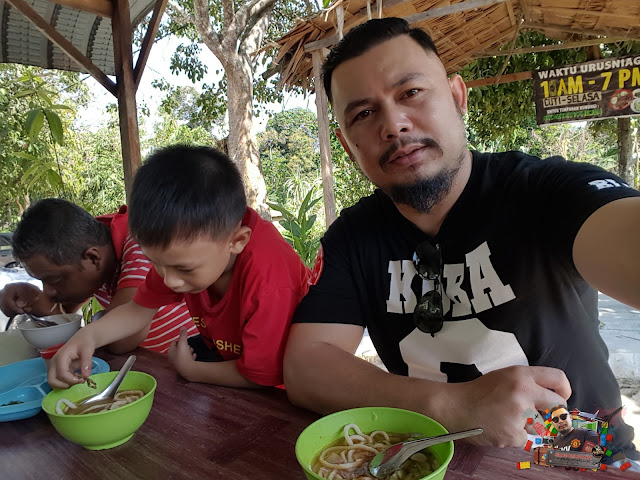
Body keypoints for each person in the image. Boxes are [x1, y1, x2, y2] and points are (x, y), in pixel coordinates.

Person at [283, 16, 640, 461]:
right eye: (363, 113)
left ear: (457, 97)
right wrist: (453, 406)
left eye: (410, 93)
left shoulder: (543, 190)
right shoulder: (354, 238)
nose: (393, 125)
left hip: (586, 461)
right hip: (439, 463)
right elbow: (305, 367)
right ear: (347, 143)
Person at [48, 145, 311, 389]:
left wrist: (190, 369)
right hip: (231, 369)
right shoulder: (181, 254)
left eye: (184, 270)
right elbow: (138, 310)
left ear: (237, 241)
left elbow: (262, 376)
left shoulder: (270, 281)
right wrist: (87, 338)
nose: (169, 280)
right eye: (155, 263)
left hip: (285, 393)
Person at [0, 199, 198, 354]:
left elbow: (121, 341)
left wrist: (88, 334)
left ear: (93, 258)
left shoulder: (144, 245)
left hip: (194, 362)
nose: (48, 291)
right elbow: (61, 316)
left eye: (54, 280)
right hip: (148, 364)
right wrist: (33, 298)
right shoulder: (88, 245)